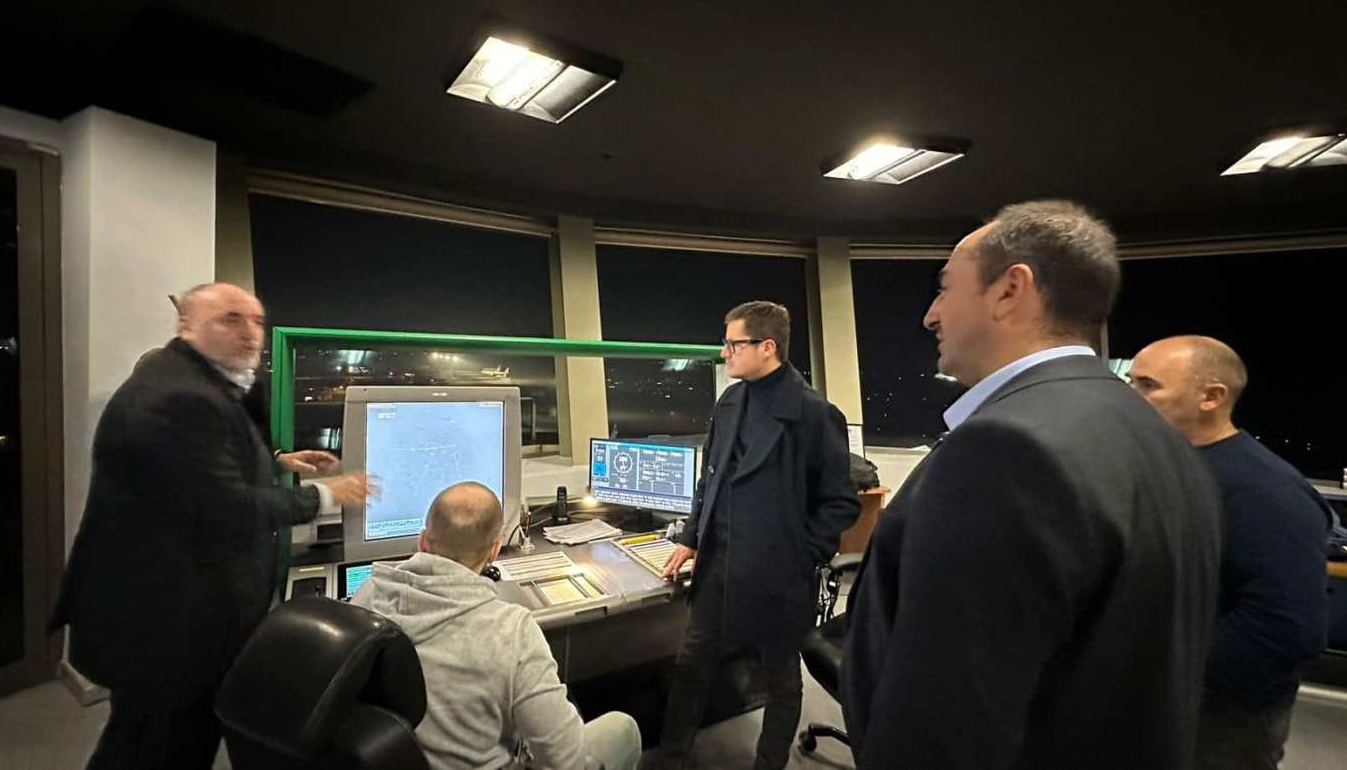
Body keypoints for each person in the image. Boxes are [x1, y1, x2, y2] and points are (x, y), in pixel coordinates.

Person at [840, 201, 1223, 769]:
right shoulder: (1153, 432)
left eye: (945, 289)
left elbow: (948, 723)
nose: (930, 316)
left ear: (1010, 290)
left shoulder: (1005, 449)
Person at [55, 282, 374, 769]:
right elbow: (225, 505)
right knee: (158, 748)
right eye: (231, 319)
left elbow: (194, 469)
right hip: (167, 630)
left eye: (257, 321)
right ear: (186, 324)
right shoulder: (178, 396)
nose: (250, 333)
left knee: (158, 739)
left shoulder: (188, 380)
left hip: (174, 616)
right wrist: (328, 494)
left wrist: (277, 460)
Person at [656, 300, 861, 770]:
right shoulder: (730, 402)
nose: (723, 352)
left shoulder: (814, 414)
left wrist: (801, 555)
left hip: (777, 575)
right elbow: (710, 478)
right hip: (718, 563)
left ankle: (769, 763)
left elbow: (841, 502)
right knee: (691, 665)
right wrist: (691, 535)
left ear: (767, 347)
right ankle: (670, 758)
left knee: (781, 681)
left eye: (734, 344)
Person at [1129, 335, 1330, 769]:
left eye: (1148, 386)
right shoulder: (1167, 464)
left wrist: (1173, 681)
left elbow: (1286, 626)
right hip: (1158, 705)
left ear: (1212, 397)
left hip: (1221, 720)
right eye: (1131, 383)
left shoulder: (1264, 491)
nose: (1130, 397)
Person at [350, 482, 642, 770]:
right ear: (494, 551)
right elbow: (566, 761)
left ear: (423, 540)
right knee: (622, 728)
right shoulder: (513, 630)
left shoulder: (367, 595)